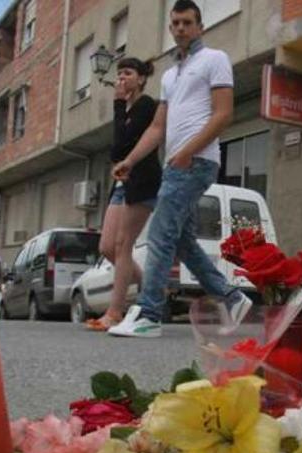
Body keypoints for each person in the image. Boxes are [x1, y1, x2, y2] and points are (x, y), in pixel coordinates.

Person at [107, 0, 251, 338]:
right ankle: (232, 299)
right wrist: (130, 160)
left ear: (200, 26)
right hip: (177, 163)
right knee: (182, 242)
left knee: (159, 234)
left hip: (197, 161)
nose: (181, 28)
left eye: (187, 22)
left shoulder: (215, 59)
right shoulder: (170, 75)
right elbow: (157, 128)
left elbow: (223, 113)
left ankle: (149, 314)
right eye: (175, 23)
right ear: (170, 28)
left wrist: (187, 152)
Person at [85, 57, 162, 332]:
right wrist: (121, 107)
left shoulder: (144, 105)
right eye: (119, 74)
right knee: (107, 247)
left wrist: (118, 104)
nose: (122, 78)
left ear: (141, 79)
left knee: (122, 245)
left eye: (128, 73)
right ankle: (151, 289)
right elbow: (118, 148)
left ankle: (115, 312)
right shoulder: (129, 108)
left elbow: (119, 148)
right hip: (121, 185)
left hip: (142, 180)